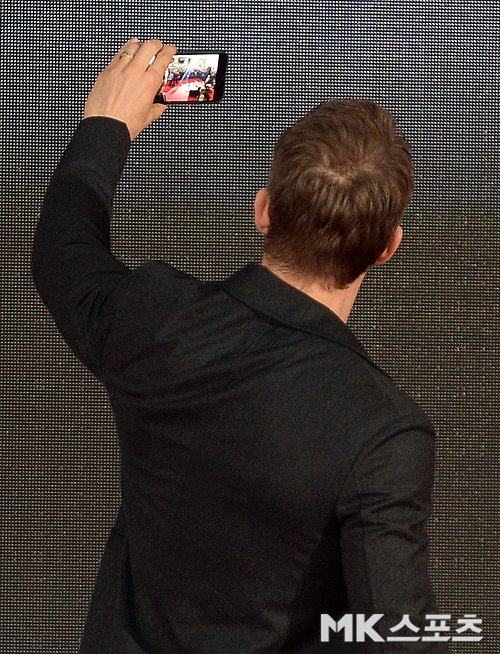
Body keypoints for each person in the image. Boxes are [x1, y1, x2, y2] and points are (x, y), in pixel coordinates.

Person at [32, 39, 448, 653]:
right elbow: (400, 636)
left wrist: (106, 127)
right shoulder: (384, 434)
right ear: (388, 246)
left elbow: (62, 252)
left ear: (264, 210)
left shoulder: (157, 322)